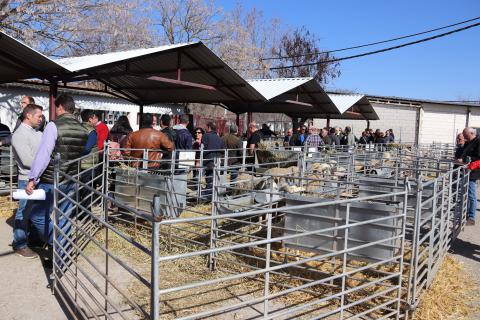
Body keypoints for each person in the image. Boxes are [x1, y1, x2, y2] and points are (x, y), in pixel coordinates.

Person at [25, 94, 88, 250]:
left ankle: (58, 243)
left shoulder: (53, 125)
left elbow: (44, 155)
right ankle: (64, 254)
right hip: (71, 178)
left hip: (51, 180)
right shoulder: (83, 128)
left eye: (56, 108)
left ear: (60, 107)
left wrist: (33, 178)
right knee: (65, 218)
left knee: (37, 216)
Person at [11, 104, 43, 258]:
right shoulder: (19, 135)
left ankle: (33, 239)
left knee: (34, 212)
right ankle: (20, 244)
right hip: (26, 179)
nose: (41, 119)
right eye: (39, 116)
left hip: (37, 177)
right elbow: (27, 160)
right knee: (23, 213)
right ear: (28, 116)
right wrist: (46, 163)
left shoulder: (36, 133)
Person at [459, 127, 480, 226]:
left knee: (471, 194)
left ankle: (471, 217)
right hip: (467, 170)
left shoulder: (478, 142)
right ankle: (466, 214)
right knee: (466, 194)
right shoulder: (469, 142)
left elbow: (478, 158)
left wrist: (468, 160)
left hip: (473, 172)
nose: (464, 137)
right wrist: (461, 159)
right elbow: (465, 154)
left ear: (472, 133)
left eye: (466, 135)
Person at [202, 122, 225, 198]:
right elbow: (222, 150)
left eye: (206, 127)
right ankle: (212, 195)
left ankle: (208, 196)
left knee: (209, 179)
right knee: (214, 179)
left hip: (208, 160)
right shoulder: (219, 138)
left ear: (209, 127)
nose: (205, 129)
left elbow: (203, 148)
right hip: (217, 161)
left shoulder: (205, 136)